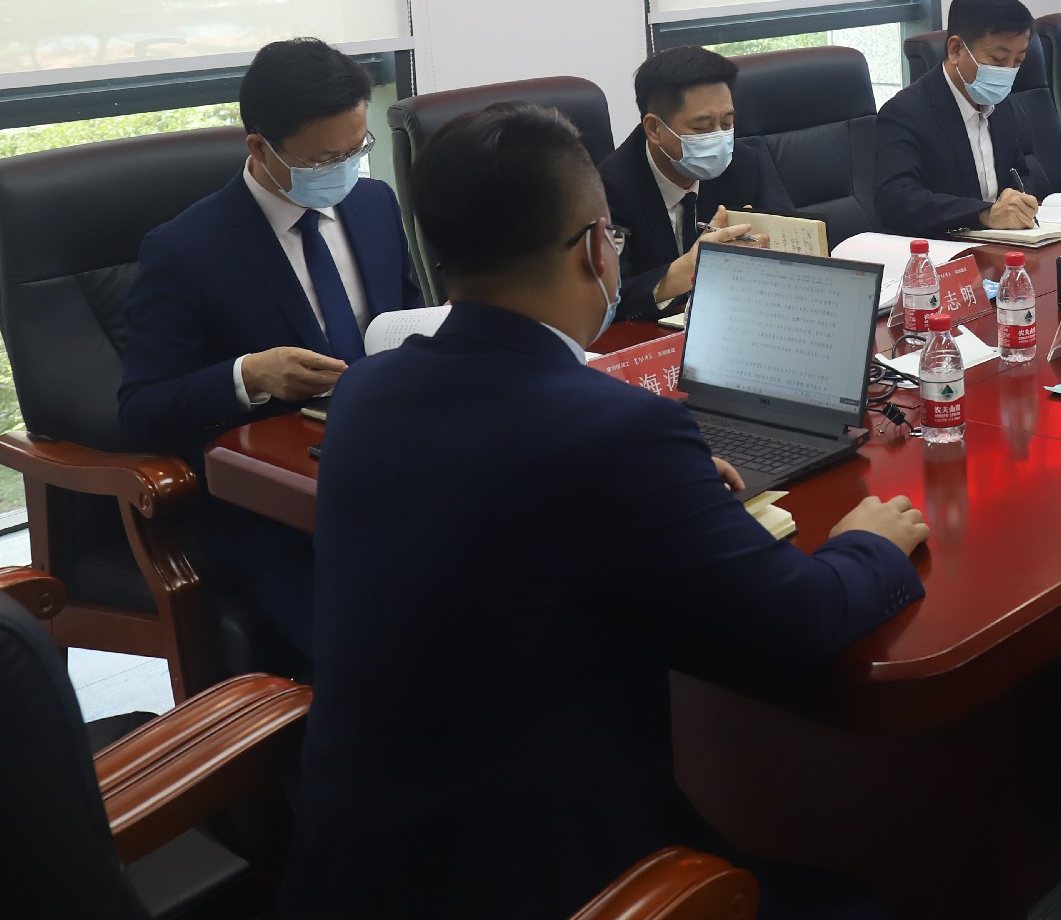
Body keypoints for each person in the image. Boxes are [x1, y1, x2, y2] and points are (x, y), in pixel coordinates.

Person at [284, 102, 927, 920]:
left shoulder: (368, 390)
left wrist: (666, 489)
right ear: (597, 247)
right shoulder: (618, 432)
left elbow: (507, 506)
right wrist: (868, 544)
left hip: (356, 865)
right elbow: (797, 624)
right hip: (547, 877)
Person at [119, 38, 423, 671]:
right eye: (324, 159)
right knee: (382, 659)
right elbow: (141, 409)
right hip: (276, 515)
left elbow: (406, 317)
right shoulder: (185, 249)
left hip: (395, 472)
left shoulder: (373, 204)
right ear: (259, 147)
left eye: (356, 150)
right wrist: (247, 376)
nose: (344, 170)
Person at [597, 45, 785, 320]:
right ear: (654, 129)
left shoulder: (744, 164)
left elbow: (795, 239)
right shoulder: (609, 189)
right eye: (701, 128)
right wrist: (688, 269)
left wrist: (764, 241)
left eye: (727, 123)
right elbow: (607, 299)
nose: (719, 138)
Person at [872, 0, 1050, 237]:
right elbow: (895, 201)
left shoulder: (1001, 105)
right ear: (955, 49)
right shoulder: (905, 113)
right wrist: (983, 214)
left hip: (1003, 244)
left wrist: (1021, 202)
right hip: (943, 249)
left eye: (1018, 60)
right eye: (998, 60)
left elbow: (1019, 173)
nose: (1008, 72)